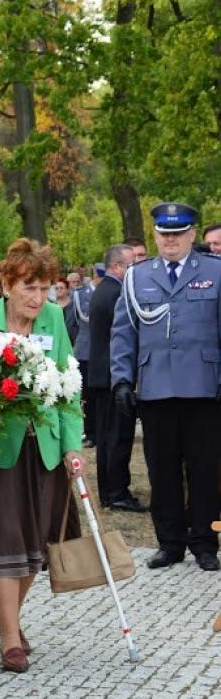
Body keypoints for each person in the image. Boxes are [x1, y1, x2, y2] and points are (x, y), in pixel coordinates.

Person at [0, 238, 84, 674]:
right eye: (29, 289)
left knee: (37, 542)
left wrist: (73, 445)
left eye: (46, 289)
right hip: (0, 447)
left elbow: (69, 385)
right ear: (6, 284)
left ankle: (6, 617)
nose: (39, 299)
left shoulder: (55, 319)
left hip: (46, 446)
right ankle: (10, 638)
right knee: (6, 539)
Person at [111, 202, 221, 571]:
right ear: (155, 235)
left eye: (178, 233)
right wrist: (122, 379)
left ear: (192, 234)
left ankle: (204, 542)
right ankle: (169, 542)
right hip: (155, 386)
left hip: (205, 387)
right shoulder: (137, 276)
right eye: (164, 234)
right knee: (162, 469)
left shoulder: (215, 271)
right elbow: (123, 333)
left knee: (204, 469)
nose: (170, 240)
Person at [89, 243, 146, 512]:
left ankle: (111, 491)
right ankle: (116, 492)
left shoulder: (105, 289)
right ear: (116, 267)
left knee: (109, 437)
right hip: (111, 377)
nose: (134, 269)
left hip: (103, 375)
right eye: (130, 264)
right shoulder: (114, 293)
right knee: (116, 438)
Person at [72, 269, 101, 448]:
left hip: (103, 350)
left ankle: (100, 431)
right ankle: (90, 432)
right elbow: (80, 317)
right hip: (85, 350)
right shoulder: (81, 294)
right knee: (87, 395)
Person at [54, 277, 78, 344]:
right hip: (56, 340)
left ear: (67, 290)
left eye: (61, 288)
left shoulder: (74, 305)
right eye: (57, 288)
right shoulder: (52, 306)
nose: (59, 290)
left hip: (71, 342)